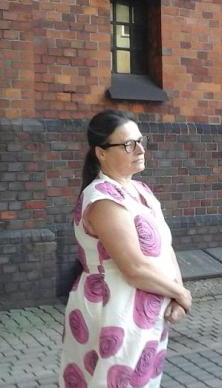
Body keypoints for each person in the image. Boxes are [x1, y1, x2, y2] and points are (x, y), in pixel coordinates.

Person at [60, 110, 192, 388]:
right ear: (101, 153)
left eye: (140, 141)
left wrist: (177, 293)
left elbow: (165, 248)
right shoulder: (103, 199)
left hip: (145, 312)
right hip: (115, 312)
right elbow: (133, 268)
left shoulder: (140, 190)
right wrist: (181, 294)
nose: (140, 150)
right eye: (128, 144)